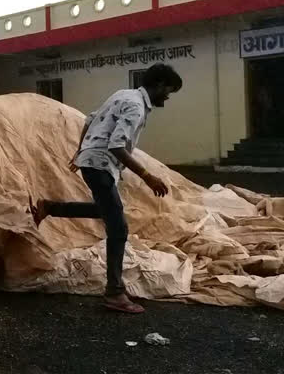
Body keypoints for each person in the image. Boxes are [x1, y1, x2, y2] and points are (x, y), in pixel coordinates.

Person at [31, 63, 182, 314]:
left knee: (106, 211)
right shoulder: (135, 107)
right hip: (100, 164)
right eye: (168, 89)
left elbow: (90, 120)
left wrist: (81, 150)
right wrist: (147, 176)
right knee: (119, 226)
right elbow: (116, 146)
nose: (167, 95)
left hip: (93, 161)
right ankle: (114, 292)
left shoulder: (122, 94)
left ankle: (49, 207)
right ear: (158, 84)